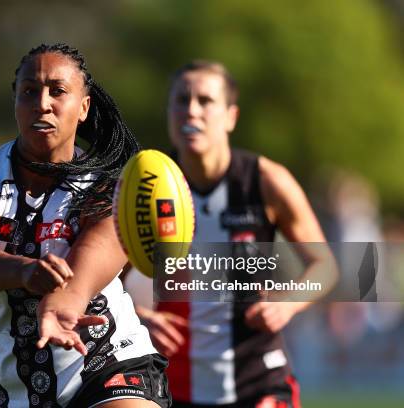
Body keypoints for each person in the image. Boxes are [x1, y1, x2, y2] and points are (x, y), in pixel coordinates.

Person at [0, 43, 171, 408]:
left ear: (83, 107)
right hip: (18, 389)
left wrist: (63, 304)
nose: (42, 103)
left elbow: (90, 263)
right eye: (29, 91)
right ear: (15, 103)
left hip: (108, 363)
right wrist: (27, 272)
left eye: (57, 91)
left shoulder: (112, 186)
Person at [125, 61, 336, 407]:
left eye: (205, 101)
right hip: (175, 385)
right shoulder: (145, 189)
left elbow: (325, 266)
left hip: (259, 379)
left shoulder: (265, 180)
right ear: (169, 113)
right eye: (181, 100)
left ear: (231, 116)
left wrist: (288, 304)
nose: (191, 111)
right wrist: (139, 315)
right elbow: (103, 282)